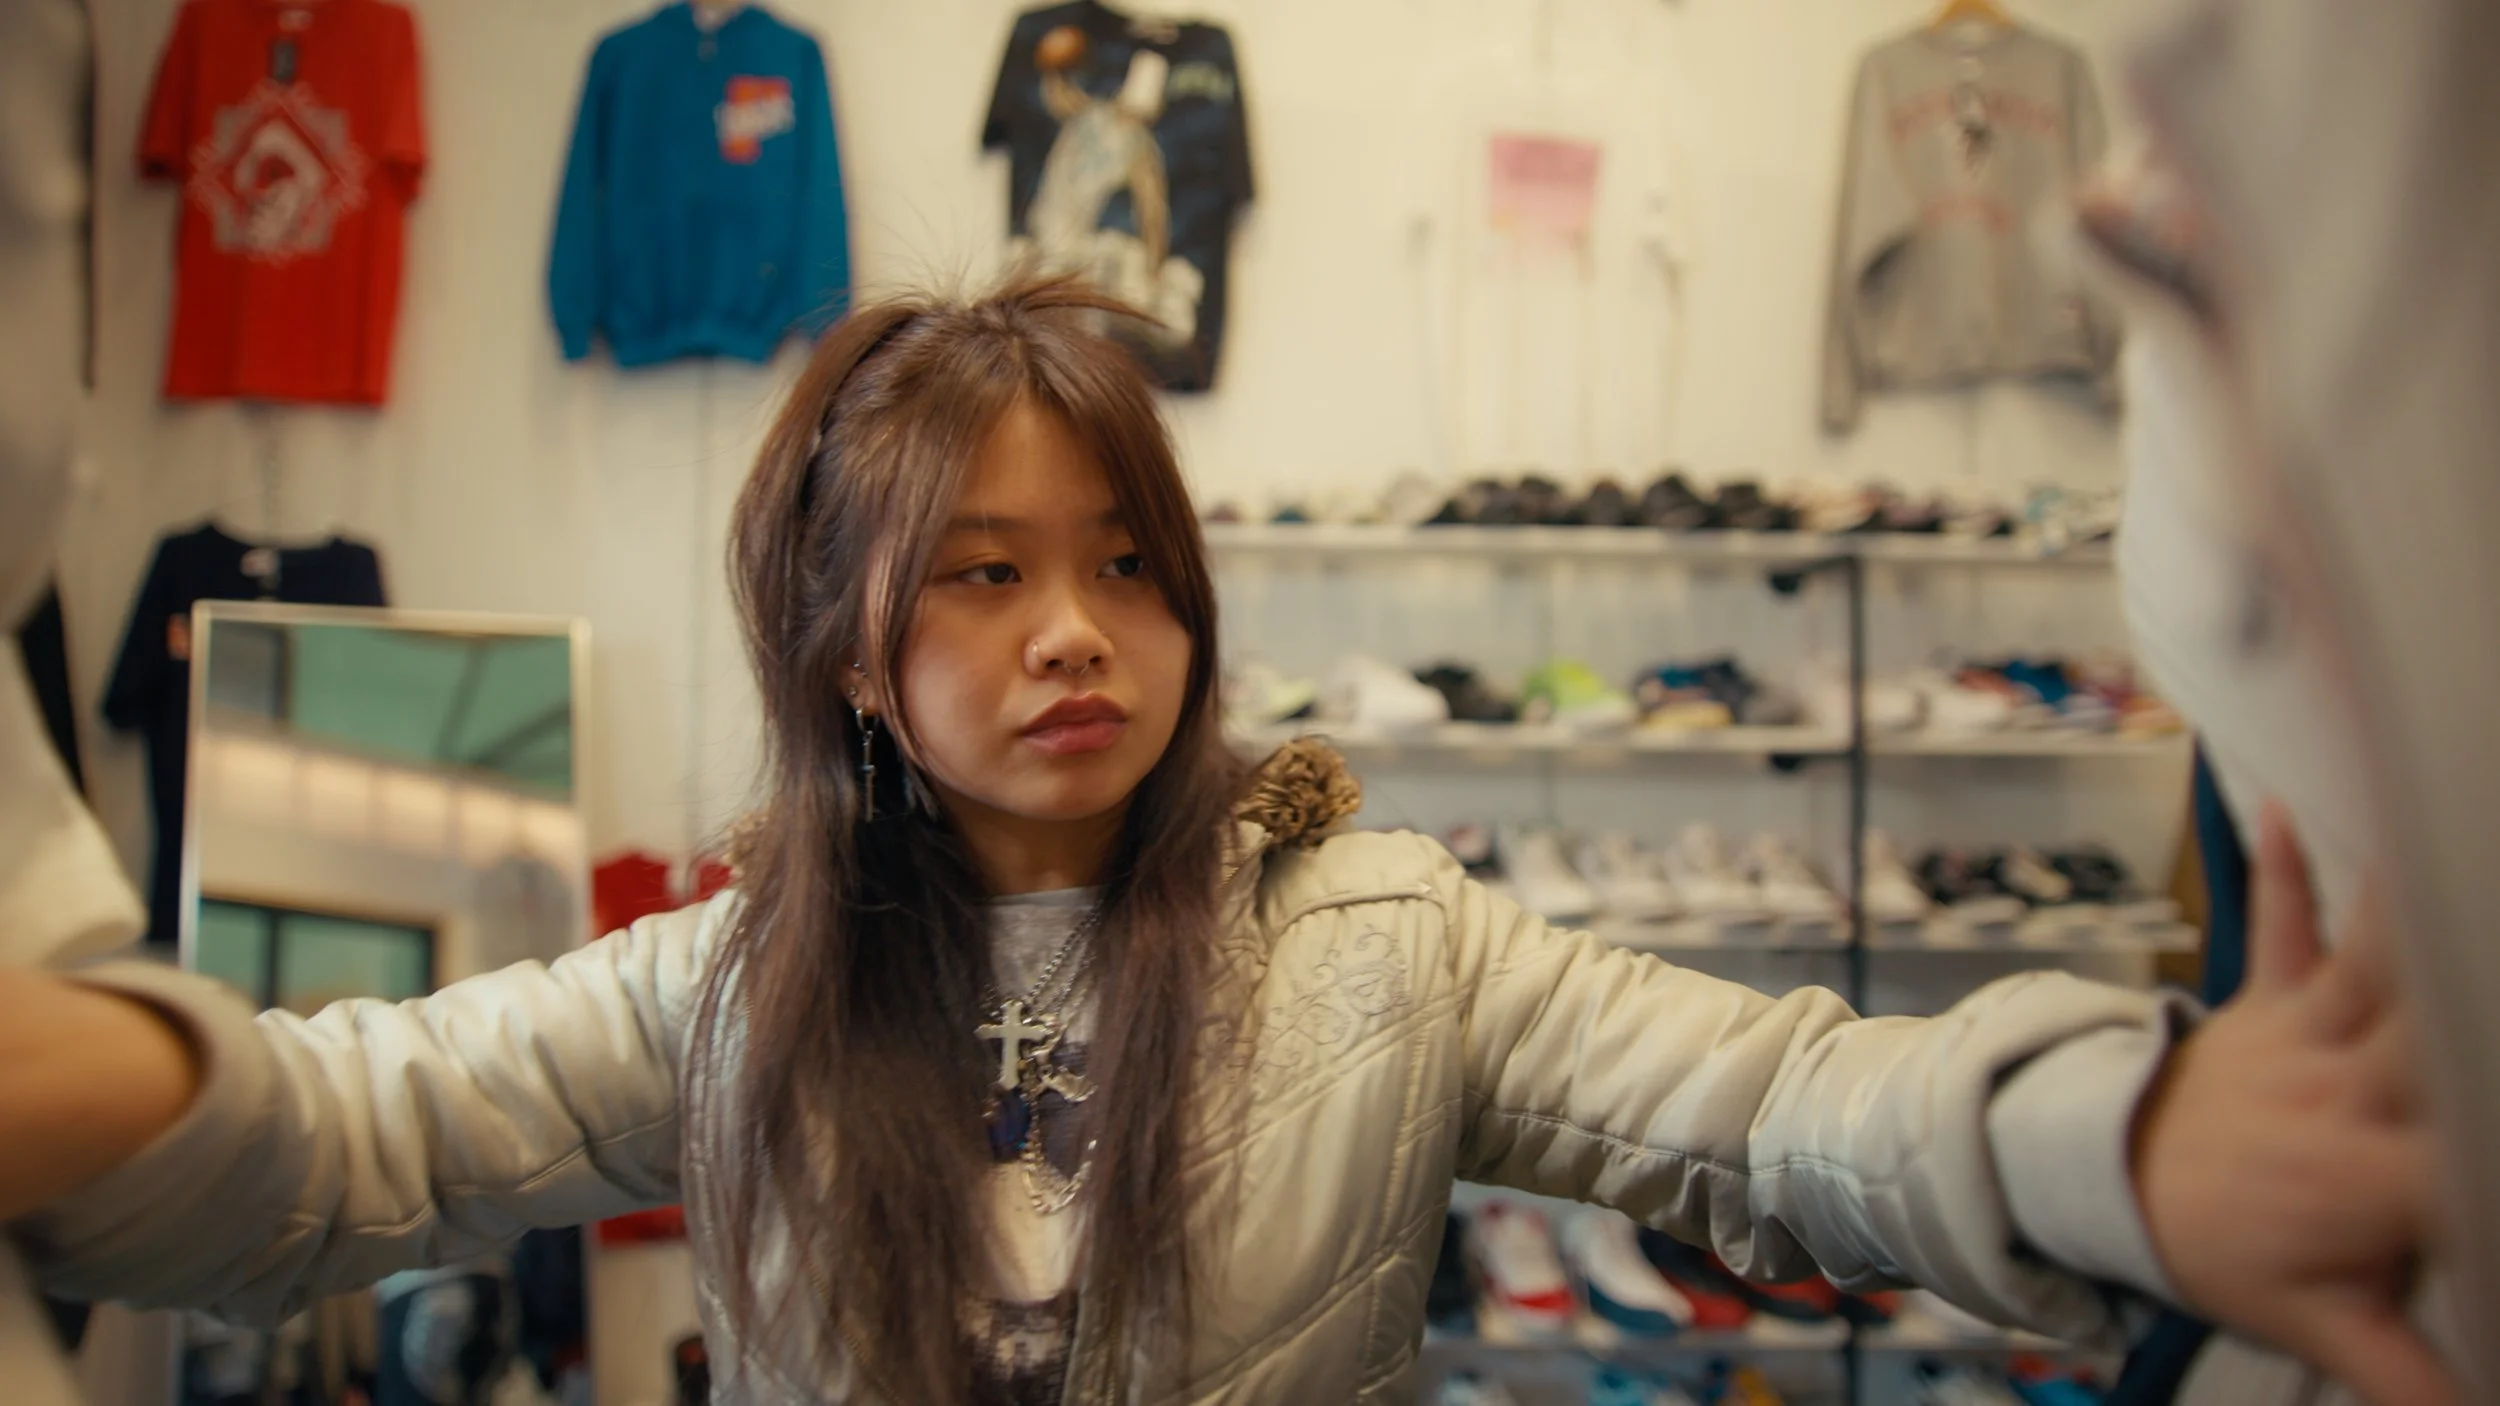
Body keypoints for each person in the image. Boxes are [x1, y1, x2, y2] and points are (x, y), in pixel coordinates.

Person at [0, 278, 2453, 1406]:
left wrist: (2120, 1134)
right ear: (853, 654)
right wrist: (80, 1061)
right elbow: (342, 1142)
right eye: (984, 570)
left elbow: (1785, 1101)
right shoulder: (723, 984)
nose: (1079, 630)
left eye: (1127, 561)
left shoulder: (1384, 941)